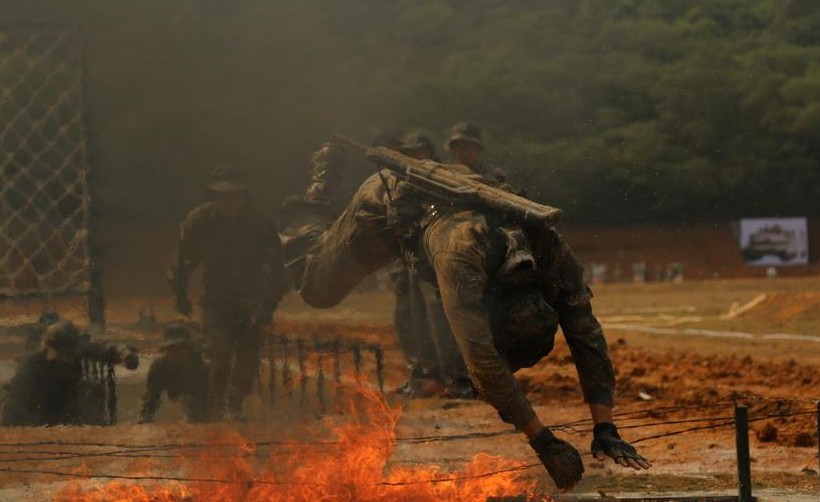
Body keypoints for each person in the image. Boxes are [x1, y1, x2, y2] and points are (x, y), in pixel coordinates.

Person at [281, 142, 650, 489]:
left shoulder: (549, 250)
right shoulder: (462, 256)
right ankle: (319, 190)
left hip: (448, 209)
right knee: (317, 288)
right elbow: (483, 365)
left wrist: (606, 427)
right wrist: (543, 441)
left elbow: (586, 334)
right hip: (382, 210)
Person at [169, 165, 286, 421]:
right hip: (216, 297)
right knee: (218, 352)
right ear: (214, 196)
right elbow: (183, 259)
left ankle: (235, 405)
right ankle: (215, 405)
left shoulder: (260, 222)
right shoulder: (199, 220)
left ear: (244, 195)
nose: (229, 201)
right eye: (222, 196)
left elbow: (277, 267)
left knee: (247, 356)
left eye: (234, 195)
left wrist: (268, 304)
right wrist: (179, 292)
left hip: (251, 297)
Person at [392, 132, 475, 398]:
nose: (416, 156)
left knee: (440, 318)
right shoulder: (404, 179)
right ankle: (426, 374)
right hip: (412, 258)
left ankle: (458, 377)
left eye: (419, 150)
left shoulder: (445, 176)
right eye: (411, 151)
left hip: (437, 256)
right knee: (410, 317)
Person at [2, 321, 138, 426]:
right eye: (62, 353)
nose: (67, 358)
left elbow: (104, 351)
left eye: (68, 353)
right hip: (36, 415)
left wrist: (123, 354)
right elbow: (18, 406)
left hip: (67, 412)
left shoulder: (75, 352)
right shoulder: (31, 366)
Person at [139, 323, 209, 423]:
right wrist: (146, 417)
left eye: (180, 348)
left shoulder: (201, 365)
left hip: (201, 399)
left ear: (188, 348)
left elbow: (207, 395)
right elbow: (151, 394)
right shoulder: (159, 366)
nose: (176, 352)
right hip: (177, 395)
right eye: (172, 348)